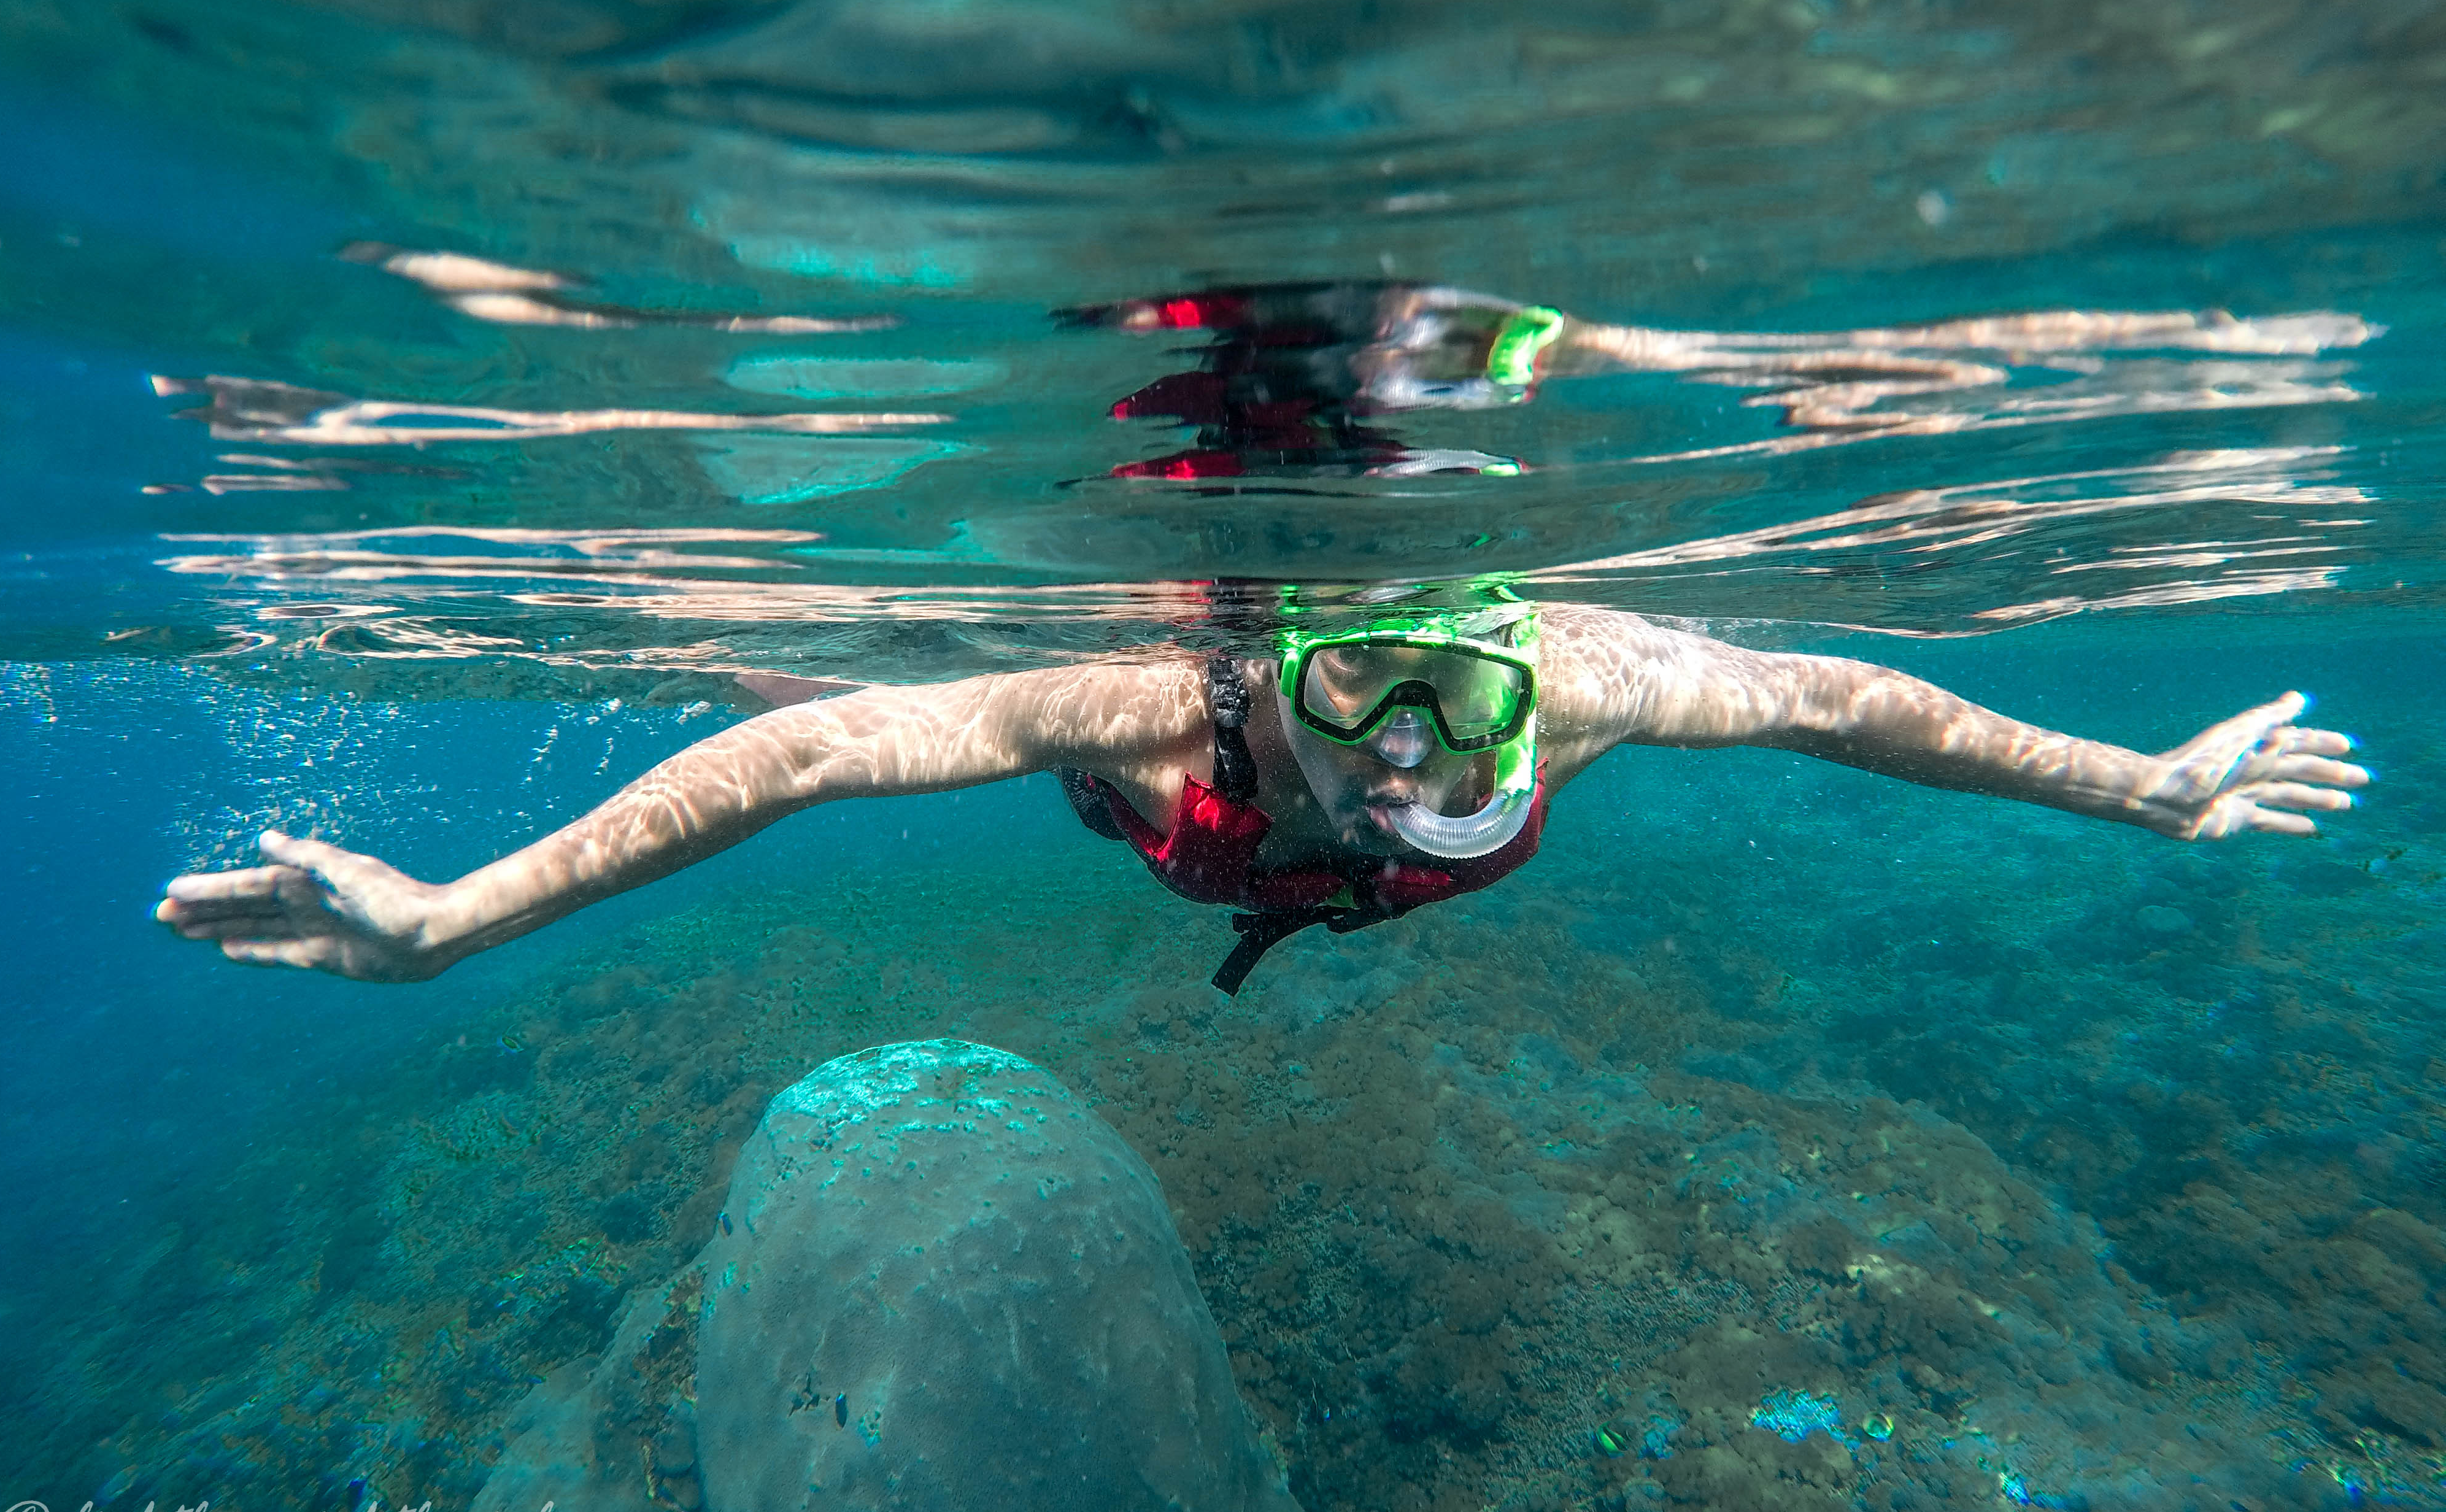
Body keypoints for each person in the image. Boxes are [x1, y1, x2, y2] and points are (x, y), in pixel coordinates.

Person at [156, 600, 2366, 995]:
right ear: (1271, 663)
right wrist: (459, 914)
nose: (1406, 744)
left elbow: (1861, 703)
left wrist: (2136, 791)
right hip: (1152, 840)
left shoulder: (1586, 692)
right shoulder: (1159, 709)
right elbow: (814, 753)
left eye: (1456, 712)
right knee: (853, 682)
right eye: (1353, 687)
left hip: (1263, 870)